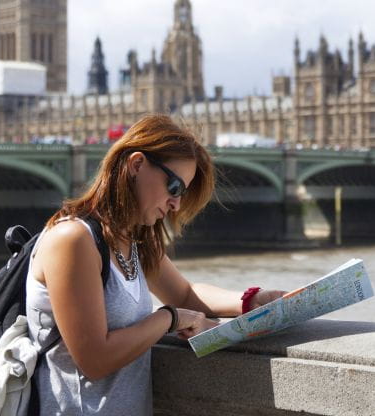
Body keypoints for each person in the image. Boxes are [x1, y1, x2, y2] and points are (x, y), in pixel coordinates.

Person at [26, 114, 283, 414]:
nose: (176, 203)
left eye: (182, 193)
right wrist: (169, 319)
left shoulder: (134, 241)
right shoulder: (73, 240)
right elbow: (94, 359)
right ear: (137, 164)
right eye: (174, 187)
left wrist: (252, 301)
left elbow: (185, 294)